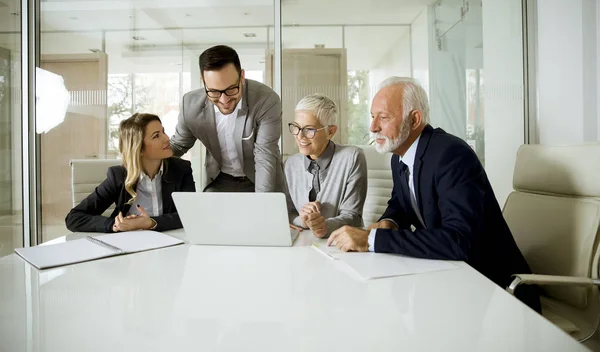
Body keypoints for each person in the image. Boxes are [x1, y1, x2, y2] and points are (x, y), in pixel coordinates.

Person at [327, 77, 540, 311]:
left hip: (496, 292)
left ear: (414, 119)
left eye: (384, 117)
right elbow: (400, 204)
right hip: (450, 280)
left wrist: (370, 240)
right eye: (372, 116)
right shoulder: (401, 156)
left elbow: (460, 241)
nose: (373, 127)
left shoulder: (451, 155)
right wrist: (389, 221)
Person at [170, 45, 283, 192]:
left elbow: (265, 157)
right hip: (218, 180)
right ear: (203, 81)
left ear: (242, 77)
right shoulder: (190, 105)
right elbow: (178, 146)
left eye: (231, 89)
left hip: (257, 179)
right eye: (214, 92)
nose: (224, 100)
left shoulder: (266, 99)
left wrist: (262, 204)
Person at [65, 113, 195, 233]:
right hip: (128, 244)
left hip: (170, 242)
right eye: (156, 136)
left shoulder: (181, 169)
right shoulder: (118, 176)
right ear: (139, 148)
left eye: (163, 132)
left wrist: (151, 223)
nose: (167, 138)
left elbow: (190, 214)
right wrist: (115, 224)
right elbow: (74, 218)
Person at [284, 94, 367, 238]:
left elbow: (353, 216)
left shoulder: (352, 157)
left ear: (330, 132)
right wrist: (303, 221)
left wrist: (324, 226)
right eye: (296, 127)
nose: (300, 136)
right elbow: (288, 213)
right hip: (303, 244)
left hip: (341, 244)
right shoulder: (290, 164)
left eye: (309, 130)